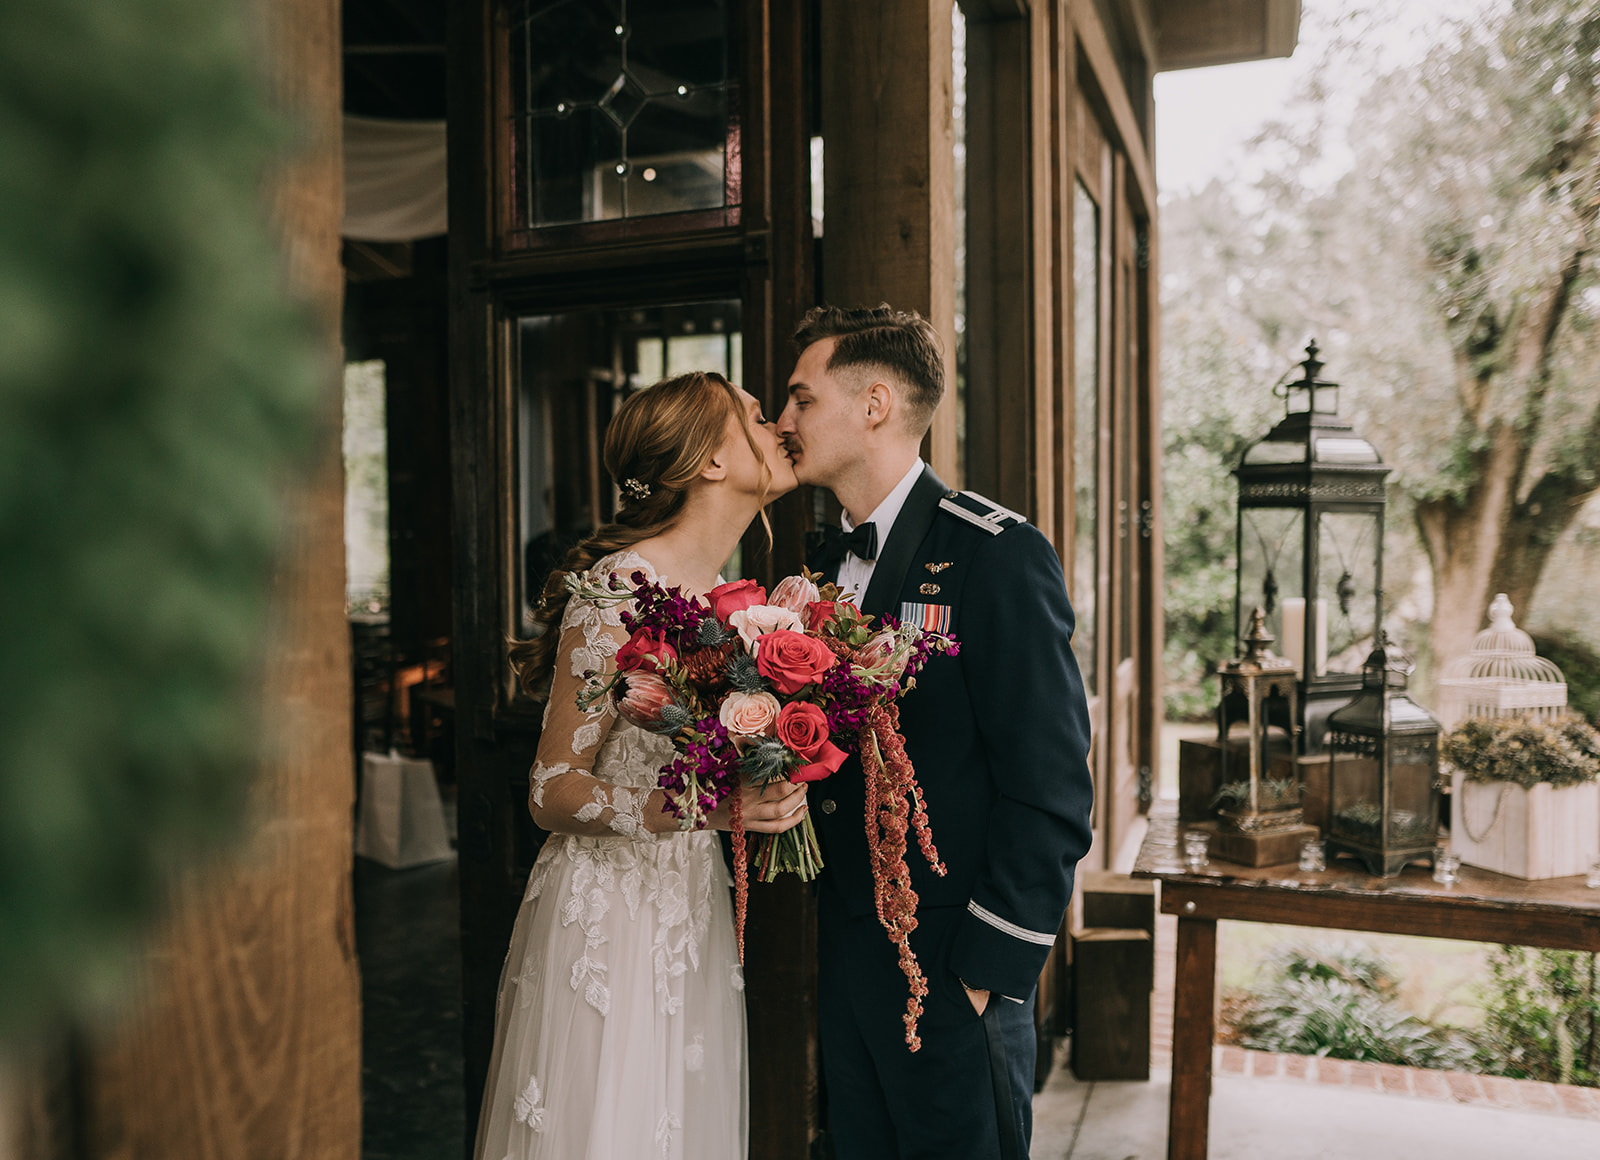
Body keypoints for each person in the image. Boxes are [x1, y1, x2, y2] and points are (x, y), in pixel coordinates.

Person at [775, 305, 1094, 1160]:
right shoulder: (812, 568)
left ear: (873, 403)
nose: (784, 420)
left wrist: (989, 970)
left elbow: (1053, 787)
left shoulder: (995, 554)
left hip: (954, 964)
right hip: (847, 960)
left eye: (802, 399)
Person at [478, 371, 809, 1160]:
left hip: (690, 902)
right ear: (712, 463)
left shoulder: (742, 605)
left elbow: (713, 753)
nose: (781, 429)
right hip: (610, 917)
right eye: (760, 419)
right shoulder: (617, 592)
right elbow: (550, 789)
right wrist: (708, 809)